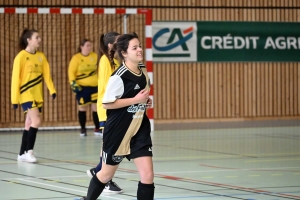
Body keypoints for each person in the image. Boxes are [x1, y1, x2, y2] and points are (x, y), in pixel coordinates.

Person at [80, 32, 154, 200]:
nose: (140, 50)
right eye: (135, 48)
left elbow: (139, 97)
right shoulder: (118, 76)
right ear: (125, 53)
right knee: (105, 175)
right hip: (118, 131)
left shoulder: (142, 69)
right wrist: (134, 100)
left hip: (139, 128)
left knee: (148, 175)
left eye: (140, 46)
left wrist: (143, 102)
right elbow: (107, 103)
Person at [11, 28, 57, 163]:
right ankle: (29, 152)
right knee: (36, 121)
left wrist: (52, 90)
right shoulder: (20, 57)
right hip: (26, 94)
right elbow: (15, 79)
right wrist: (14, 99)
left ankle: (21, 153)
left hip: (38, 95)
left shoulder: (41, 56)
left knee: (29, 123)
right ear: (28, 40)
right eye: (37, 37)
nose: (39, 40)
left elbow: (47, 75)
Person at [86, 31, 123, 193]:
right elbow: (111, 85)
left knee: (109, 144)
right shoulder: (104, 61)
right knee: (108, 144)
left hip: (114, 107)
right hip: (106, 107)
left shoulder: (115, 60)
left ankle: (98, 171)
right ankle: (104, 177)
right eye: (118, 41)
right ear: (110, 45)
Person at [68, 39, 101, 137]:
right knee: (82, 108)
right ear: (81, 47)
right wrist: (73, 85)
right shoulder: (76, 58)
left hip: (95, 87)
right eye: (87, 45)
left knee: (96, 108)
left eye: (90, 45)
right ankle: (83, 129)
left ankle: (97, 128)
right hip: (82, 88)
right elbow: (71, 73)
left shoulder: (95, 56)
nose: (89, 47)